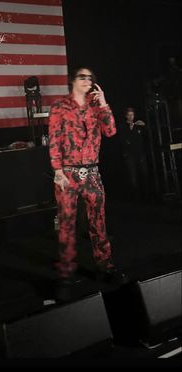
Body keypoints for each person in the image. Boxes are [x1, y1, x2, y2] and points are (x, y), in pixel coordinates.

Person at [48, 66, 128, 293]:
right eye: (82, 76)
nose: (87, 80)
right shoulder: (60, 107)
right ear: (72, 80)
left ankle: (105, 266)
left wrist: (103, 103)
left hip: (92, 173)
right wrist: (57, 171)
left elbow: (111, 131)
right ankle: (66, 272)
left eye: (90, 77)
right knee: (67, 225)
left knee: (98, 222)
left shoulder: (96, 107)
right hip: (68, 173)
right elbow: (54, 140)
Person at [118, 107, 149, 203]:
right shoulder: (123, 126)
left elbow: (146, 136)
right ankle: (136, 199)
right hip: (130, 155)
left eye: (133, 114)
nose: (131, 117)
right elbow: (123, 140)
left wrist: (144, 126)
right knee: (133, 176)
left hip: (140, 154)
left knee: (144, 174)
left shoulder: (138, 125)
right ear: (126, 116)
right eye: (129, 115)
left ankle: (147, 197)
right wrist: (130, 129)